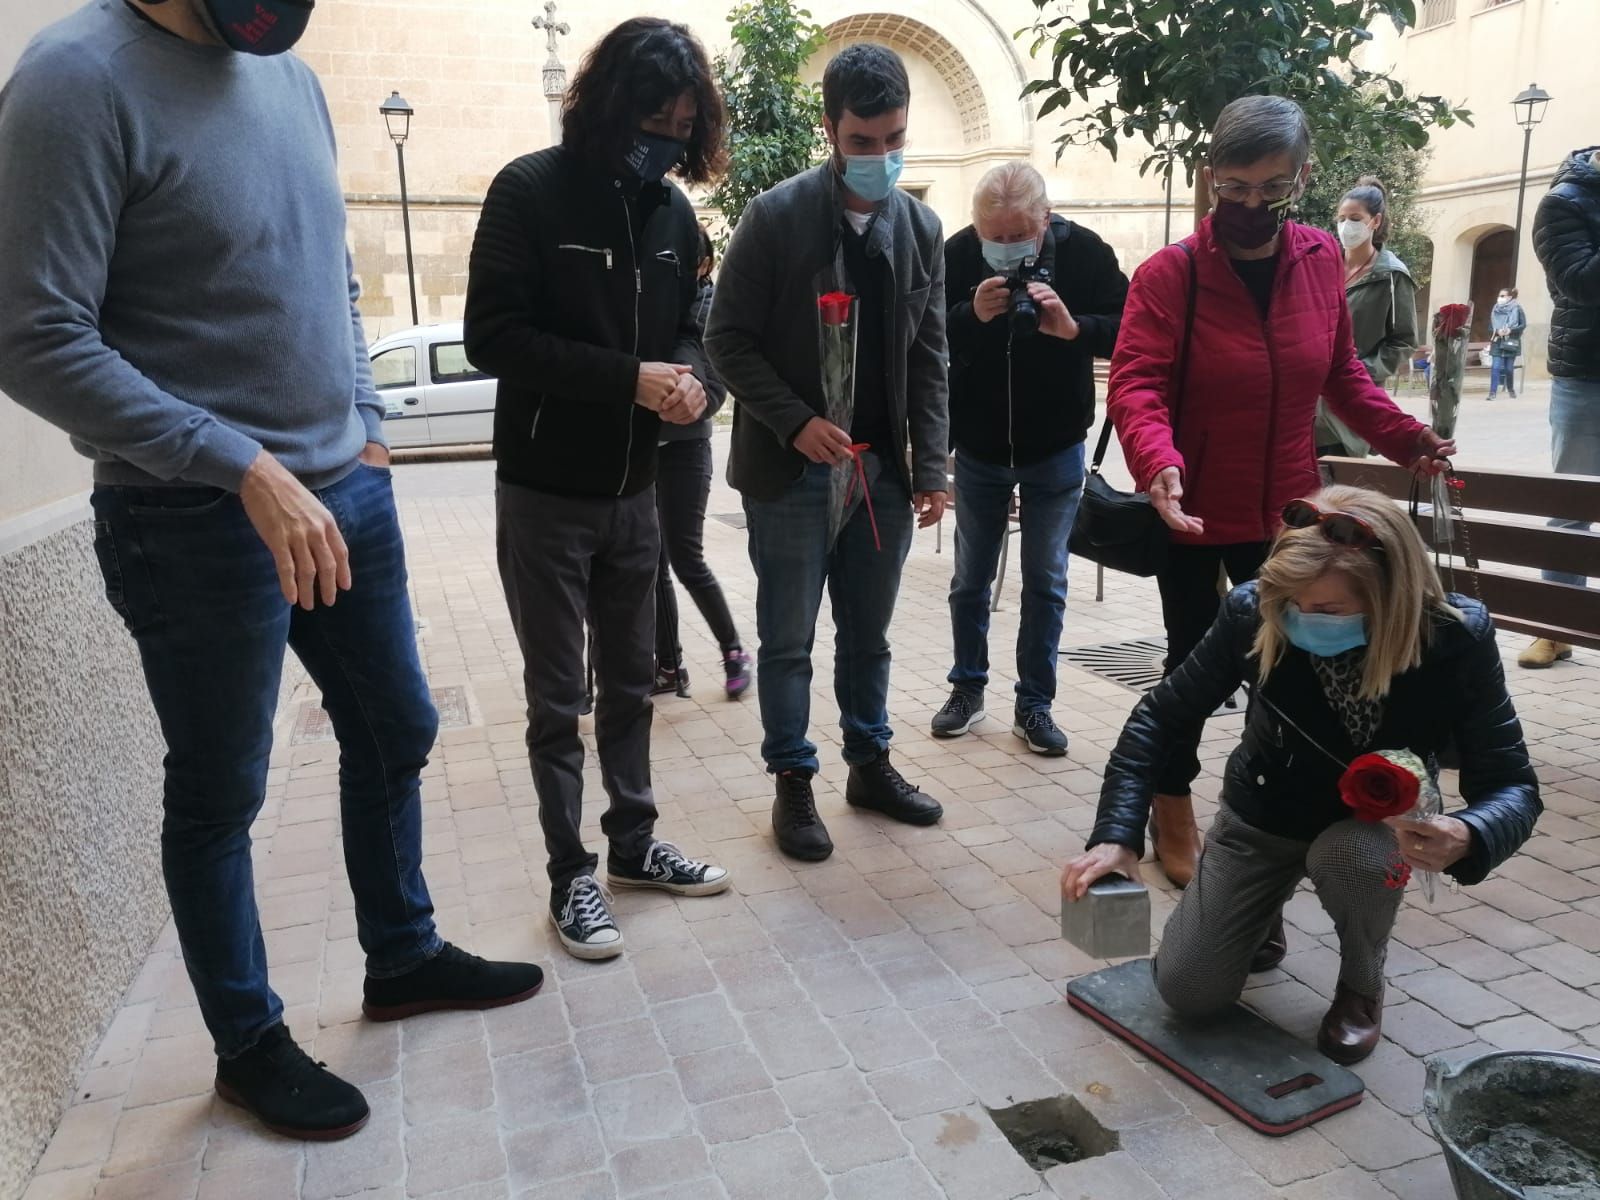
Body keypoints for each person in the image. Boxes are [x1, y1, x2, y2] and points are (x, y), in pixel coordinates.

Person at [0, 0, 544, 1141]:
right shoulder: (72, 81)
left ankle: (401, 956)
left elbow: (330, 273)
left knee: (396, 727)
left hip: (344, 487)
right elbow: (32, 335)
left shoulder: (285, 76)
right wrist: (236, 463)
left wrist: (365, 421)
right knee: (220, 795)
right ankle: (249, 1046)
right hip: (189, 517)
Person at [1063, 485, 1540, 1065]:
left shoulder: (1453, 637)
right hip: (1266, 808)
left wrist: (1472, 831)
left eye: (1329, 611)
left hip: (1376, 821)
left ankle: (1361, 985)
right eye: (1289, 605)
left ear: (1391, 596)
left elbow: (1513, 782)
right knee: (1187, 992)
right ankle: (1258, 912)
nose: (1301, 623)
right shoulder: (1253, 609)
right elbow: (1158, 718)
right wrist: (1117, 834)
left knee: (1355, 858)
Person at [1109, 95, 1455, 888]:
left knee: (1294, 670)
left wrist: (1412, 441)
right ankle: (1171, 809)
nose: (1252, 205)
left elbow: (1341, 375)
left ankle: (1279, 813)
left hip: (1294, 517)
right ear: (1210, 180)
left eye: (1271, 187)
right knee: (1193, 672)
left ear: (1301, 177)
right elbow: (1137, 383)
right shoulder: (1172, 274)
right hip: (1194, 510)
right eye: (1234, 188)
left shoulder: (1318, 260)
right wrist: (1156, 461)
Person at [465, 18, 732, 961]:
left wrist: (695, 379)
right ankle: (570, 877)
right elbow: (491, 340)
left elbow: (697, 330)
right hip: (543, 493)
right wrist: (628, 377)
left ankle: (632, 846)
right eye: (649, 118)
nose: (662, 139)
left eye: (680, 124)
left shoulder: (672, 214)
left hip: (638, 491)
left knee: (632, 685)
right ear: (608, 105)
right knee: (556, 700)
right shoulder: (529, 191)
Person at [706, 43, 949, 862]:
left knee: (870, 636)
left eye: (893, 139)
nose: (880, 157)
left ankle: (869, 764)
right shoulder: (775, 218)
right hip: (794, 473)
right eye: (863, 141)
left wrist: (935, 468)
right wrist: (793, 420)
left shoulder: (921, 226)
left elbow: (931, 356)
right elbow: (725, 340)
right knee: (787, 640)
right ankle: (793, 783)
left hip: (881, 472)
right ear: (830, 130)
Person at [933, 161, 1128, 755]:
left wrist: (1075, 329)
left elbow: (1131, 329)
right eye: (995, 235)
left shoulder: (1085, 252)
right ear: (975, 224)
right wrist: (973, 315)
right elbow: (921, 334)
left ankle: (1034, 704)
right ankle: (967, 688)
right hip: (980, 450)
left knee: (1046, 581)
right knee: (970, 579)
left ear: (1046, 219)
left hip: (1056, 448)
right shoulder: (956, 255)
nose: (1007, 246)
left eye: (1020, 234)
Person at [652, 224, 753, 700]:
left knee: (685, 557)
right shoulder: (653, 305)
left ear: (704, 265)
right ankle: (669, 664)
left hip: (686, 450)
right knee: (648, 562)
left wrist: (685, 396)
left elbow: (715, 390)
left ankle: (733, 649)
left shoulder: (711, 309)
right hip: (642, 450)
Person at [1520, 143, 1600, 670]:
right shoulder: (1564, 201)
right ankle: (1557, 626)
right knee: (1571, 503)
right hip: (1586, 374)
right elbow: (1582, 280)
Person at [1314, 177, 1420, 458]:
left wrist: (1362, 373)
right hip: (1308, 399)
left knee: (1339, 487)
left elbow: (1404, 341)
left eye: (1355, 218)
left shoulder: (1392, 276)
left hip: (1349, 403)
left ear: (1375, 221)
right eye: (1342, 218)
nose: (1346, 225)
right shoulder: (1323, 267)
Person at [1487, 286, 1526, 402]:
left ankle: (1510, 388)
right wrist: (1497, 331)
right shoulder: (1495, 309)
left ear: (1509, 297)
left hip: (1511, 341)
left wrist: (1510, 330)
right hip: (1497, 341)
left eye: (1502, 296)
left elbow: (1523, 325)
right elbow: (1490, 327)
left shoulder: (1517, 309)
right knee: (1496, 367)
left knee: (1509, 369)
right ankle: (1492, 392)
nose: (1500, 298)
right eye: (1499, 296)